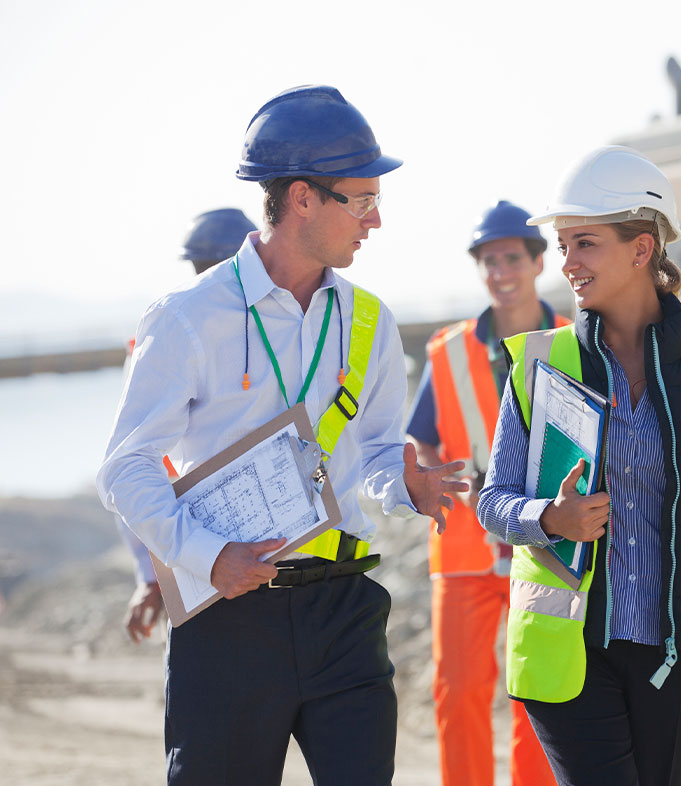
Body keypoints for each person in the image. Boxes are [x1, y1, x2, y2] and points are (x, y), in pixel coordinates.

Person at [96, 85, 464, 786]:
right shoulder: (185, 319)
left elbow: (379, 453)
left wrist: (406, 484)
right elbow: (126, 469)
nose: (376, 220)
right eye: (360, 199)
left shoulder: (370, 322)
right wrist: (208, 556)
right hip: (228, 617)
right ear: (302, 198)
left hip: (345, 609)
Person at [477, 145, 681, 786]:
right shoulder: (541, 364)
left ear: (642, 248)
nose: (567, 264)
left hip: (675, 653)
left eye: (585, 244)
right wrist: (550, 517)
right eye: (564, 246)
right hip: (570, 653)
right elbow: (494, 502)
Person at [405, 200, 566, 786]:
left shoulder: (574, 342)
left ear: (538, 262)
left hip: (550, 544)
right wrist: (446, 486)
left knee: (539, 692)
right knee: (458, 692)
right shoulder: (446, 352)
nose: (500, 271)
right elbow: (421, 442)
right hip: (467, 549)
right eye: (489, 260)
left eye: (511, 259)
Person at [119, 207, 258, 644]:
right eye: (204, 268)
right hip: (194, 551)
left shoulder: (274, 336)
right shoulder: (163, 343)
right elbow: (133, 467)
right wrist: (151, 571)